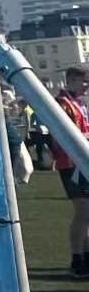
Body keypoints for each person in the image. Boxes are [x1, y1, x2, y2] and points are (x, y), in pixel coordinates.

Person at [56, 67, 89, 278]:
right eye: (83, 81)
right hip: (71, 164)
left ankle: (85, 255)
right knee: (83, 210)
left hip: (83, 162)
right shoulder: (62, 103)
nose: (85, 86)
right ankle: (76, 258)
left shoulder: (80, 103)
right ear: (71, 80)